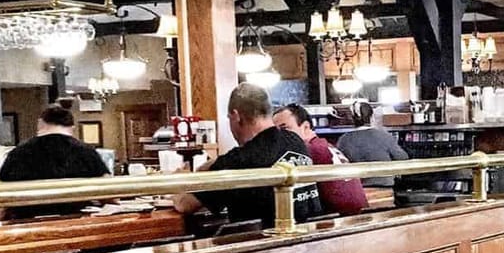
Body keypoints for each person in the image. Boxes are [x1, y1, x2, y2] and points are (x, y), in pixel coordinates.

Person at [174, 84, 321, 226]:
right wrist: (210, 166)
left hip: (260, 246)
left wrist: (177, 182)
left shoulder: (239, 161)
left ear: (236, 116)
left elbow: (184, 205)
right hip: (310, 240)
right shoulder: (294, 140)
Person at [0, 104, 109, 218]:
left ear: (40, 123)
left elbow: (3, 195)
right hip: (76, 220)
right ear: (72, 128)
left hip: (27, 222)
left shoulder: (18, 152)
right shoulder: (87, 152)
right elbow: (108, 190)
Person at [273, 103, 367, 216]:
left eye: (285, 129)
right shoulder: (324, 145)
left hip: (337, 220)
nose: (279, 136)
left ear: (306, 127)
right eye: (275, 132)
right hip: (359, 215)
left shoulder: (309, 151)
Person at [337, 100, 409, 188]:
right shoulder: (384, 136)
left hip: (357, 190)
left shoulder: (343, 140)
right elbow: (402, 157)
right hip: (384, 187)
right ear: (372, 117)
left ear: (352, 119)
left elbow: (339, 165)